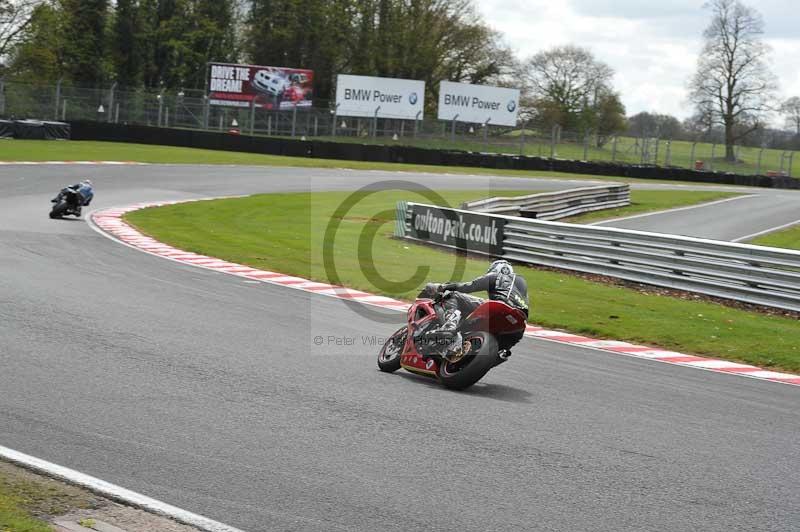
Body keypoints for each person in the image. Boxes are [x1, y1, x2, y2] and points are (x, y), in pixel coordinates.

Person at [421, 259, 529, 357]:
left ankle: (450, 325)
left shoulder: (495, 276)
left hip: (499, 306)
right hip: (519, 323)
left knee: (454, 295)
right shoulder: (521, 284)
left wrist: (442, 287)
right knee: (499, 353)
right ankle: (498, 354)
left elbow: (468, 286)